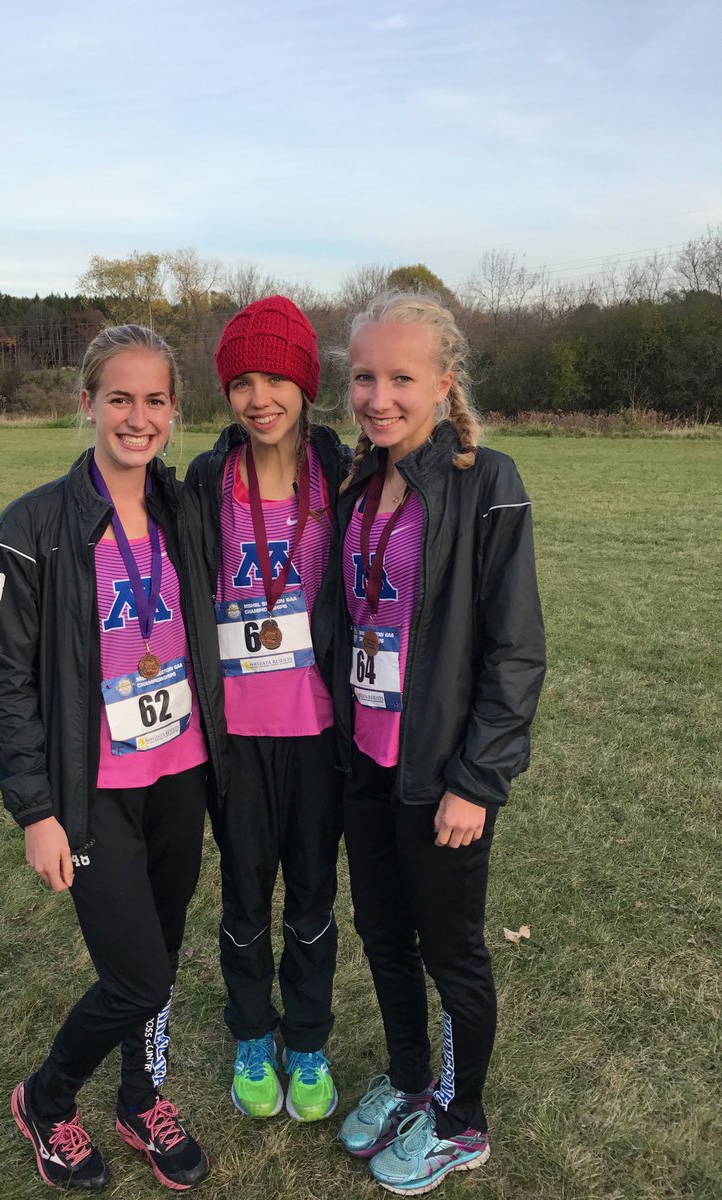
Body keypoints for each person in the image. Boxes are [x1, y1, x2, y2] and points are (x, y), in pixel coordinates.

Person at [0, 325, 227, 1192]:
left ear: (173, 411)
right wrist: (36, 811)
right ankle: (46, 1100)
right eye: (120, 397)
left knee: (158, 946)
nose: (138, 416)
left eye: (156, 399)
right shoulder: (33, 524)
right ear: (86, 403)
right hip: (94, 794)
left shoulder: (182, 508)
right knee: (140, 974)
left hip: (180, 772)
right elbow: (6, 680)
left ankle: (140, 1098)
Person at [331, 293, 546, 1193]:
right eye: (364, 377)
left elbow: (516, 647)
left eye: (401, 378)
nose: (379, 397)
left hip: (442, 772)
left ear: (444, 383)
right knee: (382, 933)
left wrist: (478, 779)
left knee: (450, 950)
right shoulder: (354, 479)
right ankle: (413, 1075)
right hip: (364, 758)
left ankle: (462, 1119)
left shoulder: (485, 480)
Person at [185, 296, 350, 1122]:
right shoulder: (207, 481)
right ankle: (253, 1033)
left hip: (320, 733)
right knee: (246, 894)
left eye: (276, 377)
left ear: (306, 382)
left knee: (315, 895)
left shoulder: (348, 475)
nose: (259, 398)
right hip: (238, 737)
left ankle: (309, 1041)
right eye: (242, 381)